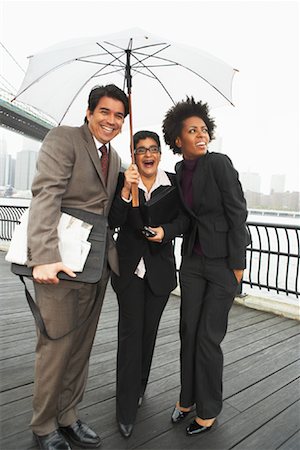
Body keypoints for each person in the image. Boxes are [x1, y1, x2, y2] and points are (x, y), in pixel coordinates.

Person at [26, 84, 129, 450]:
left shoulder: (115, 158)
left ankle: (68, 415)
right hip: (59, 262)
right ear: (89, 113)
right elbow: (47, 195)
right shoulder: (63, 139)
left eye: (119, 116)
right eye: (105, 112)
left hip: (96, 265)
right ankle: (43, 426)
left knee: (81, 348)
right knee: (55, 347)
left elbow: (108, 213)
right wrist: (43, 257)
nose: (111, 121)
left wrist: (127, 190)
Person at [162, 97, 250, 436]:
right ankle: (187, 399)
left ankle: (208, 409)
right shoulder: (181, 171)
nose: (201, 135)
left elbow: (237, 212)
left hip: (223, 265)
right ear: (177, 139)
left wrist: (237, 265)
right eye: (191, 130)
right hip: (193, 263)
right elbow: (185, 218)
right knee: (188, 332)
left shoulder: (219, 164)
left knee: (208, 338)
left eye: (203, 129)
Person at [108, 130, 189, 438]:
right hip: (129, 271)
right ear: (133, 154)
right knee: (130, 337)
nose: (148, 154)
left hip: (159, 273)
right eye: (141, 149)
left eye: (153, 149)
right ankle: (125, 408)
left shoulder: (173, 183)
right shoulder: (123, 180)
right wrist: (127, 192)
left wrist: (165, 232)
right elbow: (114, 221)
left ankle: (139, 387)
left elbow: (184, 221)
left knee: (148, 335)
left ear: (160, 153)